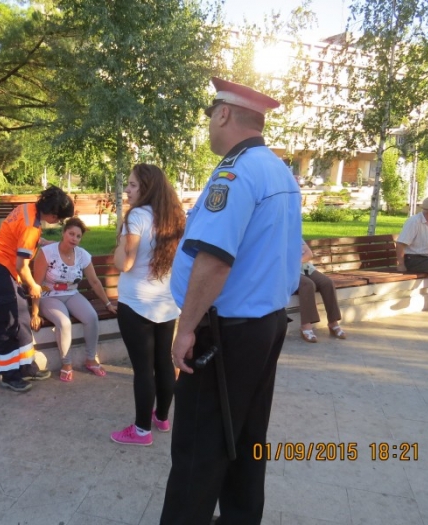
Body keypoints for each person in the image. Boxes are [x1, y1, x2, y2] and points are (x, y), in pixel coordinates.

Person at [159, 78, 302, 525]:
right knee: (246, 435)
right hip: (265, 325)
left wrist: (185, 330)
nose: (208, 125)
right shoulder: (278, 169)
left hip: (226, 335)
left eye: (210, 116)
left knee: (198, 448)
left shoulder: (234, 173)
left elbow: (215, 260)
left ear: (223, 114)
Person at [110, 163, 185, 446]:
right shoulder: (174, 217)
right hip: (166, 303)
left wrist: (119, 243)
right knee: (164, 361)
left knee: (143, 369)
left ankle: (141, 431)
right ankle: (161, 418)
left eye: (132, 185)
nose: (127, 190)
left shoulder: (136, 216)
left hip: (136, 303)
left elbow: (124, 263)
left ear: (147, 188)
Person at [0, 186, 74, 393]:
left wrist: (42, 241)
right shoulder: (32, 226)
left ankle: (27, 367)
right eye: (59, 219)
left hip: (1, 269)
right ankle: (10, 376)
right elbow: (22, 266)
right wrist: (34, 286)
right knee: (9, 324)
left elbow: (18, 235)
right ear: (53, 215)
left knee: (22, 318)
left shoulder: (27, 208)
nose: (58, 222)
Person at [30, 217, 117, 382]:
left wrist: (107, 303)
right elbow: (37, 284)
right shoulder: (47, 252)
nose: (74, 238)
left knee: (91, 317)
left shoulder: (82, 255)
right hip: (49, 296)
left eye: (78, 236)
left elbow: (94, 281)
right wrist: (35, 312)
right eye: (71, 234)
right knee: (64, 323)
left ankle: (91, 359)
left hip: (72, 294)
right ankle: (66, 363)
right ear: (63, 233)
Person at [298, 240, 347, 342]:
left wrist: (298, 261)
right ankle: (306, 326)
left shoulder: (295, 235)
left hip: (305, 268)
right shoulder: (277, 236)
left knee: (327, 283)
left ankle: (333, 322)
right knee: (308, 285)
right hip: (288, 271)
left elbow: (309, 254)